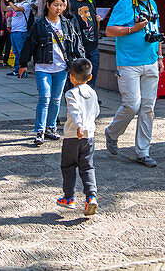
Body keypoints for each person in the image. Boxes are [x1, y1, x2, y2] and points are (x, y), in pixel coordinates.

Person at [104, 0, 163, 167]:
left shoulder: (152, 5)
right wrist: (133, 29)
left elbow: (157, 32)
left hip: (151, 61)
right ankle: (112, 132)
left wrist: (160, 56)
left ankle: (143, 152)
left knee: (148, 108)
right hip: (129, 63)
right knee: (132, 104)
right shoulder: (124, 4)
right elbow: (110, 30)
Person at [19, 0, 85, 146]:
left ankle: (51, 127)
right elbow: (29, 44)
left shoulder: (67, 23)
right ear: (48, 5)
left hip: (61, 67)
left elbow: (75, 44)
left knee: (56, 99)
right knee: (45, 98)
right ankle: (39, 130)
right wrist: (23, 64)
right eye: (55, 4)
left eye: (62, 5)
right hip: (43, 66)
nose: (58, 8)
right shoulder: (39, 24)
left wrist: (80, 64)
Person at [57, 57, 100, 216]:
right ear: (90, 77)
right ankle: (91, 197)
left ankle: (69, 197)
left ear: (71, 76)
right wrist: (88, 124)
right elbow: (96, 112)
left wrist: (80, 125)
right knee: (87, 166)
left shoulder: (70, 93)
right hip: (89, 136)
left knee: (68, 166)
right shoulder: (93, 93)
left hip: (72, 136)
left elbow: (74, 110)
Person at [69, 0, 102, 88]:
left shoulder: (90, 1)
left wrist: (98, 22)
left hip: (93, 44)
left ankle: (89, 95)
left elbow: (93, 18)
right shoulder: (70, 4)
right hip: (79, 46)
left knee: (93, 72)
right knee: (78, 72)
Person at [7, 0, 31, 77]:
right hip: (13, 31)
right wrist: (3, 0)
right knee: (15, 51)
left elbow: (16, 9)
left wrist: (8, 0)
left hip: (21, 31)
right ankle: (17, 69)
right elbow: (5, 8)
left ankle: (23, 70)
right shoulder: (15, 4)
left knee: (21, 52)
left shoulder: (26, 5)